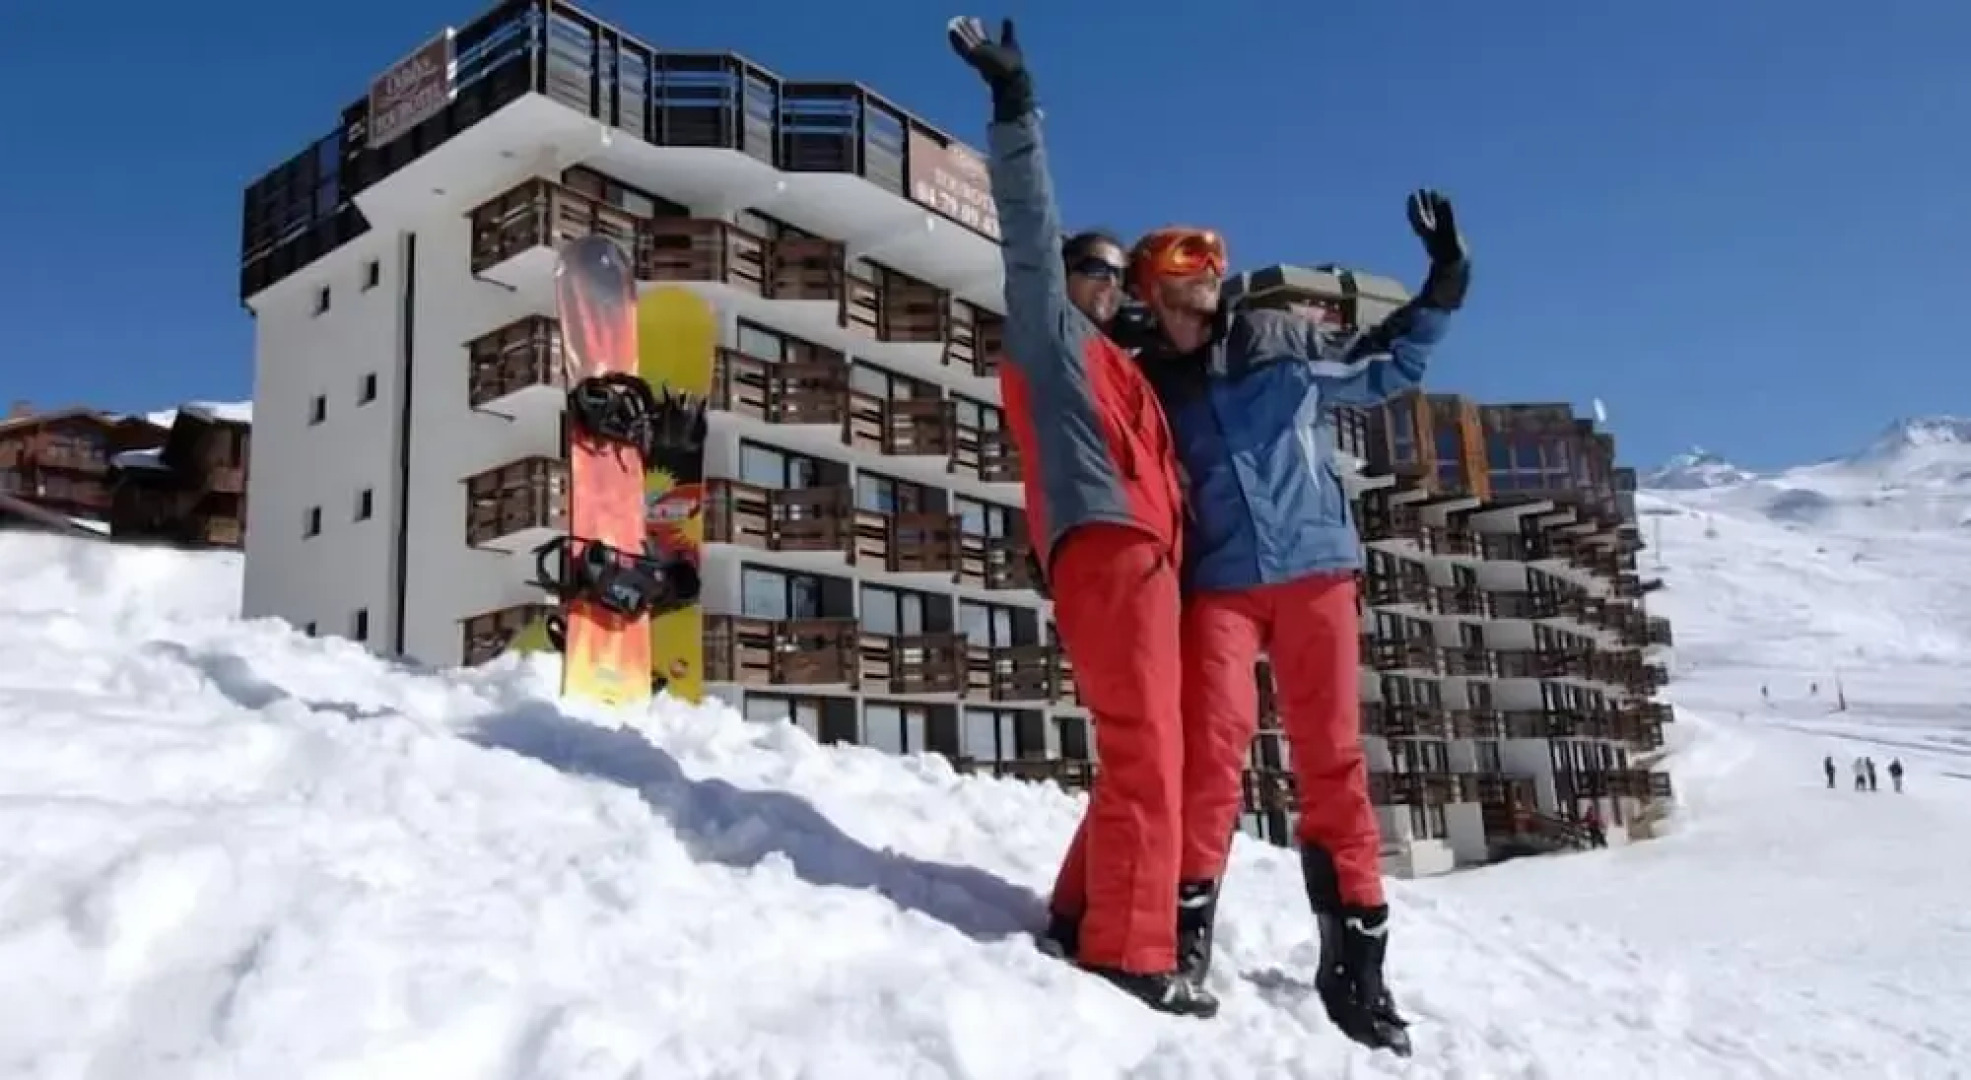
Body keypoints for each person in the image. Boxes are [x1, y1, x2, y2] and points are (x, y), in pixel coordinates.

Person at [1127, 186, 1469, 1056]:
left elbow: (1380, 368)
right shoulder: (1149, 379)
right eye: (1185, 263)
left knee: (1332, 761)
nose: (1207, 275)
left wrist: (1440, 287)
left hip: (1315, 568)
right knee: (1211, 747)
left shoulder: (1274, 340)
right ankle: (1183, 932)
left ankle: (1355, 963)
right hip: (1223, 581)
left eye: (1211, 259)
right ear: (1153, 290)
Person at [946, 17, 1209, 1019]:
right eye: (1087, 270)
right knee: (1148, 746)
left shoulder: (1123, 372)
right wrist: (1016, 107)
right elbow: (1026, 218)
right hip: (1107, 552)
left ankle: (1079, 910)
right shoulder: (1050, 335)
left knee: (1152, 746)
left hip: (1146, 564)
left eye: (1111, 273)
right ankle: (1128, 953)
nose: (1102, 283)